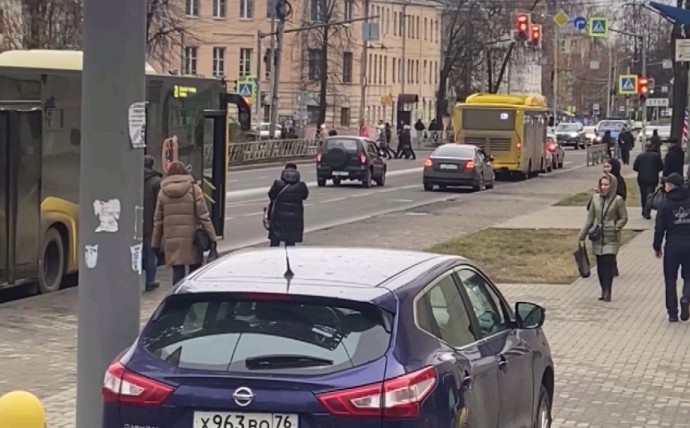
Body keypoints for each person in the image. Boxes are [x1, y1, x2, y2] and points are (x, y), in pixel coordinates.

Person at [152, 161, 218, 285]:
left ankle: (178, 296)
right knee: (195, 270)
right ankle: (193, 297)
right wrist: (212, 237)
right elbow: (203, 216)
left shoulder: (163, 192)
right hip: (192, 239)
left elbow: (158, 220)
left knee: (178, 271)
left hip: (172, 239)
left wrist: (155, 244)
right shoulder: (194, 189)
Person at [579, 174, 628, 302]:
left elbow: (624, 217)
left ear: (612, 186)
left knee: (608, 264)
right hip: (598, 236)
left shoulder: (618, 200)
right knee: (600, 266)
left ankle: (608, 291)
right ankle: (603, 289)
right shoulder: (595, 199)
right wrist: (582, 235)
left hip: (611, 237)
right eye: (602, 185)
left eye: (606, 185)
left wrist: (616, 227)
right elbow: (590, 218)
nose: (604, 187)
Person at [653, 172, 690, 322]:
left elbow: (659, 228)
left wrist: (657, 246)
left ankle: (672, 312)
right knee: (689, 276)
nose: (664, 186)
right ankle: (686, 298)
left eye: (666, 184)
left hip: (672, 246)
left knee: (670, 279)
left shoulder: (665, 203)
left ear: (671, 185)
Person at [267, 163, 309, 247]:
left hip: (278, 217)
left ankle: (272, 258)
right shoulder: (301, 186)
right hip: (294, 218)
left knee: (275, 242)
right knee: (290, 242)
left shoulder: (277, 184)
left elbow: (271, 195)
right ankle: (289, 258)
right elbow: (305, 196)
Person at [143, 155, 162, 292]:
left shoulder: (132, 179)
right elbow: (159, 206)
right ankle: (150, 281)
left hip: (135, 223)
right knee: (151, 254)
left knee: (136, 254)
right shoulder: (156, 182)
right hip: (150, 224)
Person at [633, 142, 664, 219]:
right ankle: (647, 211)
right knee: (650, 195)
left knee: (643, 195)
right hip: (652, 178)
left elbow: (635, 167)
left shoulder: (640, 156)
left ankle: (644, 209)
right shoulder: (656, 157)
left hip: (642, 178)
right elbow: (661, 167)